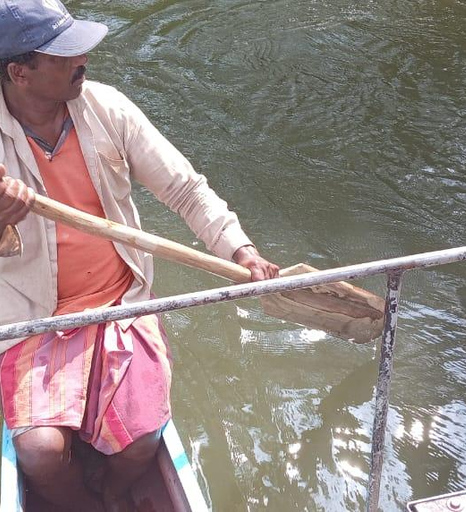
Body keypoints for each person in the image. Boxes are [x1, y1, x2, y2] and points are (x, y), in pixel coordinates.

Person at [0, 0, 280, 509]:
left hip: (120, 300)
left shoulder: (107, 107)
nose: (83, 59)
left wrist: (240, 249)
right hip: (32, 315)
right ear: (19, 72)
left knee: (144, 438)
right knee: (39, 454)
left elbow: (185, 190)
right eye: (63, 56)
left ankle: (113, 489)